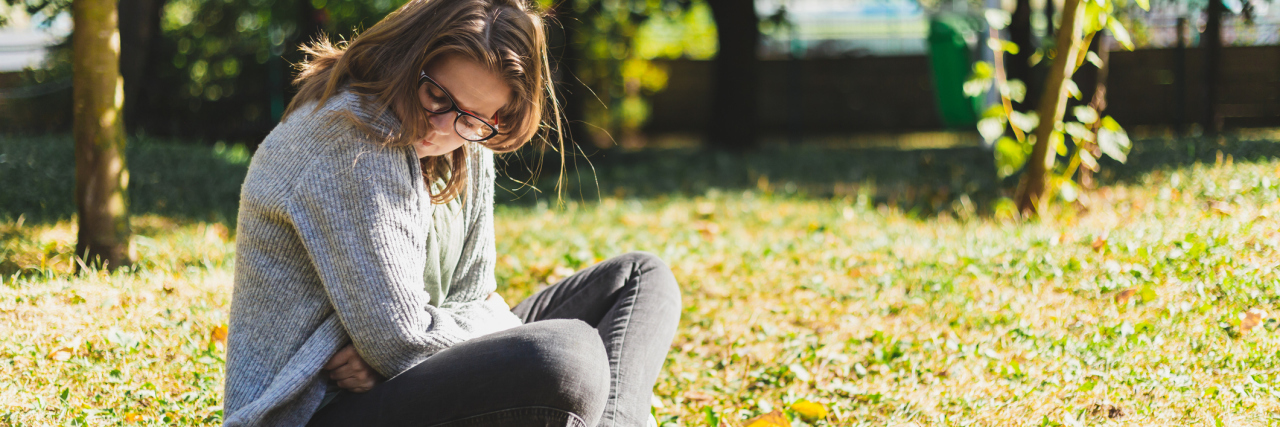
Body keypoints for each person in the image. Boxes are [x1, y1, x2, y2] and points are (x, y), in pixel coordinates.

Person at [222, 0, 682, 425]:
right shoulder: (351, 138)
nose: (442, 128)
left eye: (474, 117)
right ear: (407, 57)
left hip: (406, 375)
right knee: (567, 357)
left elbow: (474, 298)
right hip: (320, 410)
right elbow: (401, 342)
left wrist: (405, 351)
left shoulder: (469, 141)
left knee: (642, 278)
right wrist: (412, 347)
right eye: (437, 96)